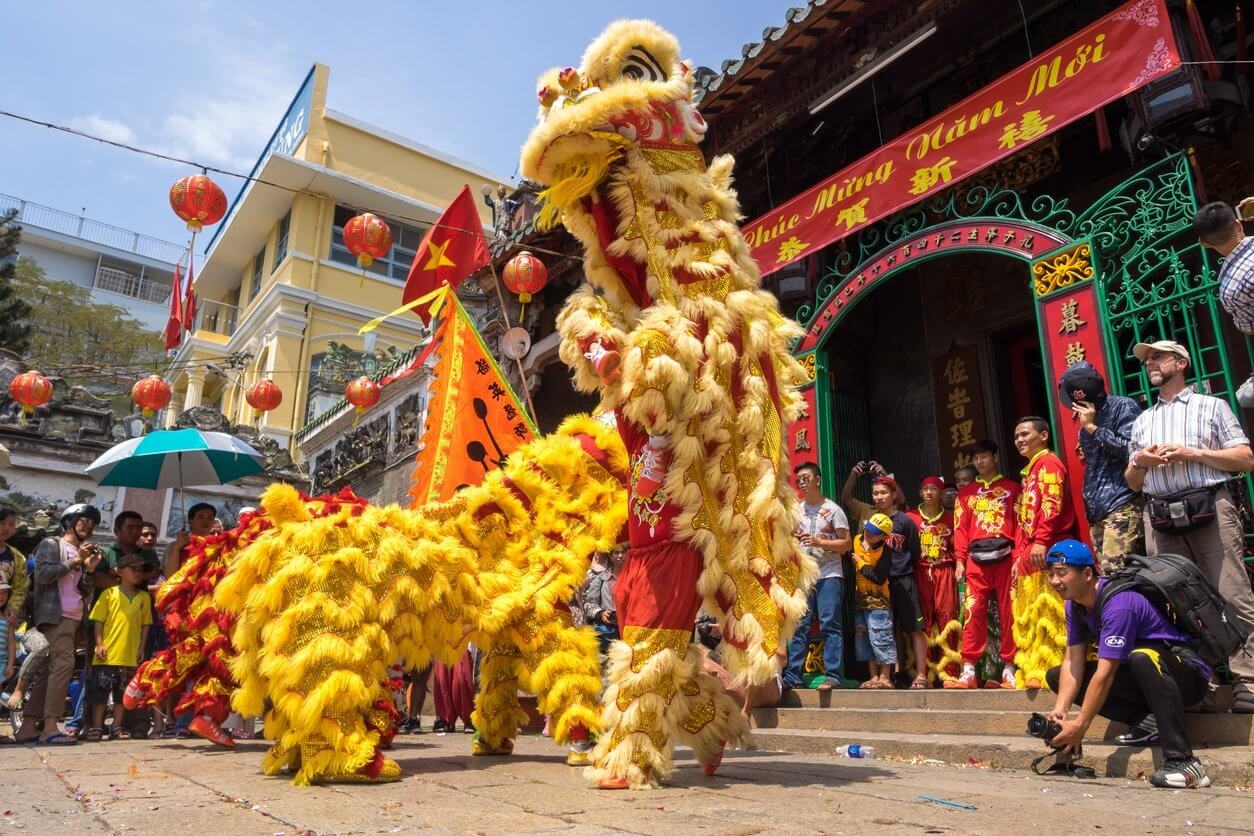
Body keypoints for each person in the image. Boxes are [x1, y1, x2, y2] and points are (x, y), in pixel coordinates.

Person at [1124, 339, 1254, 714]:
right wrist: (1143, 461)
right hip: (1161, 516)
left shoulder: (1211, 407)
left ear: (1180, 363)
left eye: (1157, 357)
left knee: (1232, 591)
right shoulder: (1143, 420)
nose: (1149, 363)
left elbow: (1244, 458)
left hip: (1210, 506)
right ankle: (1200, 683)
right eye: (1146, 359)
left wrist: (1191, 453)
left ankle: (1247, 679)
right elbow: (1133, 482)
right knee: (1173, 602)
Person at [1044, 539, 1213, 789]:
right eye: (1050, 574)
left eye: (1062, 573)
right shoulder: (1075, 604)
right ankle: (1147, 722)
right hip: (1144, 675)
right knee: (1057, 675)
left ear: (1087, 574)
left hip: (1186, 675)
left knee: (1143, 656)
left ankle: (1185, 762)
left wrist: (1081, 725)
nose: (1055, 581)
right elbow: (1073, 661)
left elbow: (1105, 674)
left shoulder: (1119, 603)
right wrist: (1061, 711)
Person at [15, 503, 103, 744]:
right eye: (83, 521)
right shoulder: (52, 545)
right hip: (55, 616)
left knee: (50, 672)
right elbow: (43, 575)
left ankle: (29, 726)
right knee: (64, 665)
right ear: (69, 522)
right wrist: (75, 561)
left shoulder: (81, 554)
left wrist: (89, 569)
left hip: (74, 619)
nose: (88, 527)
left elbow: (82, 588)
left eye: (92, 524)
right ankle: (51, 726)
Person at [843, 463, 927, 688]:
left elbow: (916, 552)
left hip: (902, 580)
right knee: (885, 630)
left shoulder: (905, 521)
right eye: (875, 493)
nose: (879, 497)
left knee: (915, 629)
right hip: (878, 584)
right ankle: (888, 676)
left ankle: (921, 675)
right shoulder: (870, 521)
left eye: (883, 493)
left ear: (893, 494)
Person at [1010, 416, 1077, 689]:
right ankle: (1035, 666)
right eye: (1016, 436)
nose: (1020, 440)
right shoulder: (1031, 469)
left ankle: (1056, 667)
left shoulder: (1048, 463)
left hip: (1049, 546)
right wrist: (1019, 554)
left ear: (1044, 435)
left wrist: (1040, 540)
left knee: (1053, 610)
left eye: (1025, 434)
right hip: (1032, 548)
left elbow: (1052, 504)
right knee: (1033, 611)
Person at [1059, 361, 1144, 574]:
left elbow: (1131, 450)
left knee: (1114, 573)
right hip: (1096, 510)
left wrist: (1093, 428)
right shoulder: (1085, 422)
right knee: (1105, 575)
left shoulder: (1122, 406)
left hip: (1122, 502)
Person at [948, 440, 1019, 689]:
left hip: (1006, 557)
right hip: (975, 559)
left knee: (1009, 611)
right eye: (976, 458)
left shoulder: (1012, 489)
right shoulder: (966, 494)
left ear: (995, 457)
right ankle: (968, 670)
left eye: (984, 456)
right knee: (972, 612)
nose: (980, 462)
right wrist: (959, 560)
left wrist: (1019, 556)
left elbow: (1020, 525)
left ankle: (1010, 669)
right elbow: (960, 528)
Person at [784, 462, 851, 692]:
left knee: (830, 624)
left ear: (818, 480)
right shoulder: (797, 510)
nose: (802, 482)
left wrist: (819, 541)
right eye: (799, 478)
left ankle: (832, 675)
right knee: (800, 625)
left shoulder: (833, 509)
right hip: (804, 576)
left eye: (806, 477)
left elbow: (846, 544)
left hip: (829, 574)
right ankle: (792, 676)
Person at [85, 553, 153, 741]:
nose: (138, 574)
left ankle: (117, 726)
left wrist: (142, 647)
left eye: (140, 570)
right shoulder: (109, 594)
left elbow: (146, 624)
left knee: (122, 694)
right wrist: (99, 644)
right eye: (134, 570)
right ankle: (97, 727)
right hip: (107, 654)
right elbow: (98, 621)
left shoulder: (144, 598)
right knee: (100, 693)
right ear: (120, 571)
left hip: (131, 655)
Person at [908, 476, 960, 685]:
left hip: (945, 571)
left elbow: (958, 549)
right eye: (925, 489)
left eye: (933, 489)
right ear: (920, 492)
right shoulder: (910, 517)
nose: (929, 492)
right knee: (924, 622)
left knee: (947, 618)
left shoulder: (950, 519)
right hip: (920, 572)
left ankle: (951, 672)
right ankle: (926, 673)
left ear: (941, 493)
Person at [851, 514, 896, 689]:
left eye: (874, 532)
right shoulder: (856, 540)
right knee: (866, 639)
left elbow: (879, 578)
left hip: (879, 603)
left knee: (881, 637)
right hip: (860, 601)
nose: (868, 534)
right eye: (868, 529)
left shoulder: (885, 552)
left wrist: (861, 563)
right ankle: (873, 677)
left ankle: (885, 677)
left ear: (884, 536)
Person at [96, 511, 161, 592]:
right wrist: (134, 578)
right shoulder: (105, 553)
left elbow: (152, 573)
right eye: (130, 527)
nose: (135, 531)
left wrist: (117, 574)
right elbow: (97, 580)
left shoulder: (148, 553)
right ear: (116, 531)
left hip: (138, 603)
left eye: (138, 528)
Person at [582, 549, 621, 657]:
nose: (620, 555)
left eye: (624, 552)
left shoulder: (636, 576)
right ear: (611, 555)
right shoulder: (601, 578)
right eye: (617, 552)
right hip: (608, 632)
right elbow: (589, 603)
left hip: (630, 629)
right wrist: (600, 613)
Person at [165, 503, 216, 577]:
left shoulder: (217, 547)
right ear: (190, 521)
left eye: (209, 518)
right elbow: (169, 576)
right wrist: (177, 549)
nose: (205, 521)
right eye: (200, 517)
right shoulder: (174, 546)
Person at [0, 507, 30, 626]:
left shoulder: (17, 557)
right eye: (2, 523)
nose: (6, 528)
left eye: (11, 524)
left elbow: (20, 588)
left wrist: (12, 608)